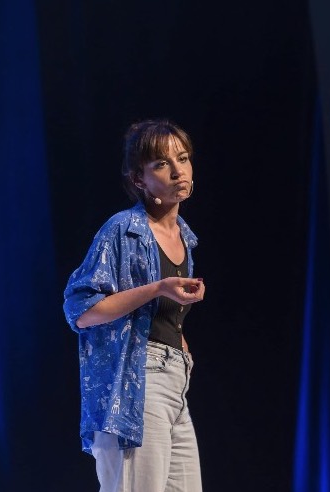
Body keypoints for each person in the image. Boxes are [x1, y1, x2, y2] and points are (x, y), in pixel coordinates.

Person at [63, 119, 205, 491]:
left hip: (175, 383)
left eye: (183, 159)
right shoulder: (123, 229)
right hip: (137, 383)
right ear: (139, 179)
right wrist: (157, 287)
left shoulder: (185, 238)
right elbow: (81, 309)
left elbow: (160, 316)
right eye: (161, 164)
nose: (178, 171)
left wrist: (180, 343)